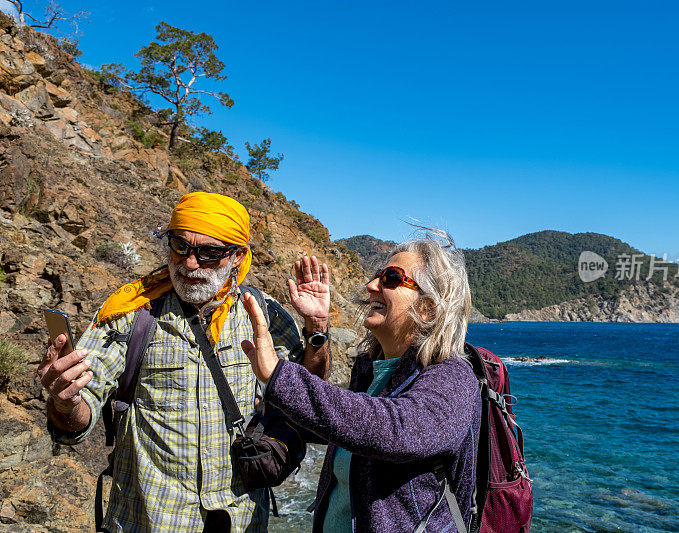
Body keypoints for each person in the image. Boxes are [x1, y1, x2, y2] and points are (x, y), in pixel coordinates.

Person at [37, 192, 331, 533]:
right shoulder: (132, 314)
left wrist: (317, 329)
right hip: (149, 521)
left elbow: (309, 393)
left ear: (237, 256)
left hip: (242, 520)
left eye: (209, 253)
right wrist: (65, 401)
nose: (190, 263)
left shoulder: (262, 312)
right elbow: (77, 415)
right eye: (180, 246)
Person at [241, 230, 481, 532]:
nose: (370, 286)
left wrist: (279, 375)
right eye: (377, 275)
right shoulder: (371, 370)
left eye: (391, 278)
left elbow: (394, 431)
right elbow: (341, 422)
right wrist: (317, 326)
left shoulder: (452, 377)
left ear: (428, 307)